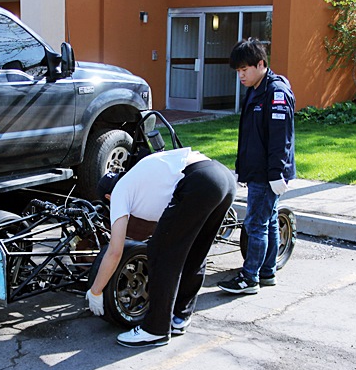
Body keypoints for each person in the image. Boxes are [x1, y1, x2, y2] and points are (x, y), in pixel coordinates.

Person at [86, 148, 236, 347]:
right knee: (195, 252)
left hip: (200, 182)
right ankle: (180, 318)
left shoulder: (120, 191)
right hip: (223, 177)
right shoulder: (138, 176)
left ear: (107, 196)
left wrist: (95, 291)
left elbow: (115, 251)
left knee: (160, 253)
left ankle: (154, 329)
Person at [217, 38, 295, 295]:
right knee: (268, 220)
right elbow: (248, 133)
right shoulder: (255, 88)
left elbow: (280, 138)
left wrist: (276, 173)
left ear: (261, 64)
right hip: (258, 170)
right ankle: (266, 272)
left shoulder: (276, 92)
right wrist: (242, 167)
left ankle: (249, 278)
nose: (240, 75)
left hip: (268, 172)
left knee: (255, 224)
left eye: (244, 70)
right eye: (238, 71)